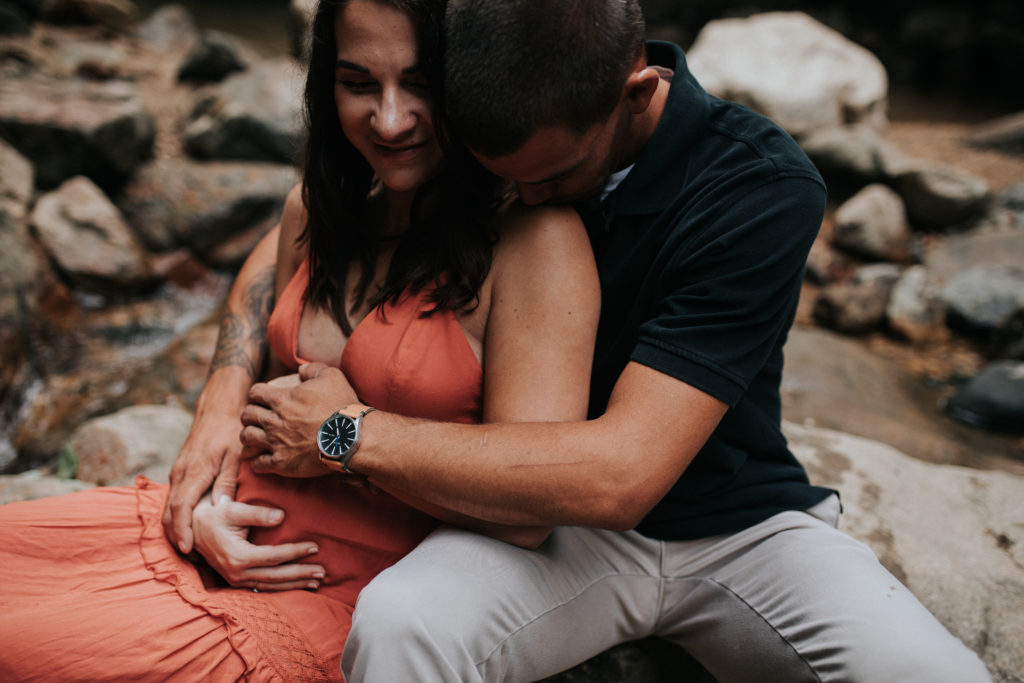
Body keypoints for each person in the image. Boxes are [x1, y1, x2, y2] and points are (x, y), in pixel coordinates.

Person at [183, 1, 994, 681]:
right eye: (507, 179)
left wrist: (346, 431)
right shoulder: (498, 117)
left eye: (552, 177)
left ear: (637, 90)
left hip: (735, 528)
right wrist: (225, 388)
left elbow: (622, 475)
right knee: (405, 622)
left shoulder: (757, 188)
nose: (527, 201)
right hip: (544, 539)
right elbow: (311, 219)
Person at [0, 0, 599, 680]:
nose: (391, 118)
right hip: (218, 534)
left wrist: (346, 439)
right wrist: (207, 501)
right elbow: (270, 396)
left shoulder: (536, 243)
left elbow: (531, 508)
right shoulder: (317, 210)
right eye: (358, 83)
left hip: (338, 589)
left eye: (421, 84)